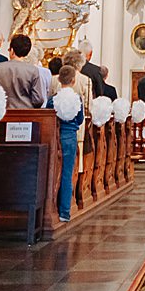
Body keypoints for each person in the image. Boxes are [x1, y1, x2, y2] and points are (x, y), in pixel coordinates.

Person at [45, 66, 85, 222]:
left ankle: (51, 207)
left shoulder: (52, 99)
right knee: (67, 173)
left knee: (53, 171)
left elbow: (48, 116)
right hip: (70, 136)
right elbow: (80, 119)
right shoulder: (77, 99)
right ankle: (65, 211)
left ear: (59, 80)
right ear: (74, 80)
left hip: (55, 135)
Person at [0, 33, 46, 109]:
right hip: (25, 114)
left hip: (2, 112)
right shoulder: (33, 70)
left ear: (12, 50)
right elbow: (38, 99)